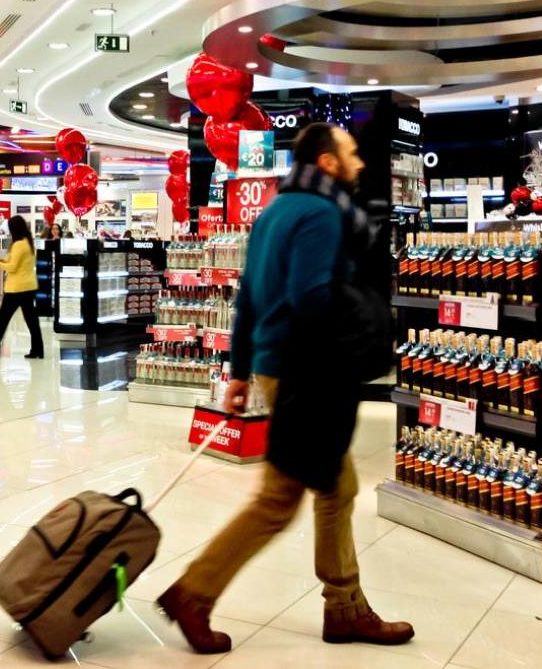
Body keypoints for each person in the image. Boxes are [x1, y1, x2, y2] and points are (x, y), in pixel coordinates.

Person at [157, 123, 414, 654]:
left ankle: (344, 606)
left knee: (337, 488)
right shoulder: (321, 214)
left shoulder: (273, 212)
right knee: (280, 499)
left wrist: (239, 372)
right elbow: (311, 298)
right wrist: (352, 338)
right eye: (351, 154)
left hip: (279, 365)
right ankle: (194, 593)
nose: (360, 163)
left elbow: (248, 297)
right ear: (327, 163)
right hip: (308, 370)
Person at [0, 216, 44, 359]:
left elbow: (12, 267)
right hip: (28, 286)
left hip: (16, 288)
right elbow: (13, 260)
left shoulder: (19, 245)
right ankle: (38, 349)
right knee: (31, 320)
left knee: (3, 319)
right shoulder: (28, 242)